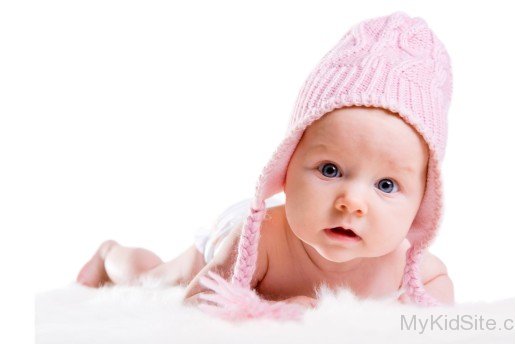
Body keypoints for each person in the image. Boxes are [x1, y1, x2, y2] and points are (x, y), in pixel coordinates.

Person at [77, 11, 454, 319]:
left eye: (386, 185)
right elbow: (194, 306)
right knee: (155, 277)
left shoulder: (409, 265)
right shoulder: (260, 241)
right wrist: (272, 312)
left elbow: (439, 288)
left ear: (423, 202)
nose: (351, 201)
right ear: (286, 168)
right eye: (329, 170)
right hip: (232, 236)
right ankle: (110, 255)